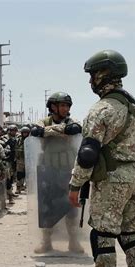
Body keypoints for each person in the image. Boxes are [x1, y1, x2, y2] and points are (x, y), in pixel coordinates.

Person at [68, 50, 135, 267]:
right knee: (133, 234)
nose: (91, 81)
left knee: (103, 235)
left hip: (113, 179)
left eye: (92, 75)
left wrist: (75, 185)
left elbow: (88, 154)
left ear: (103, 75)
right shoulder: (134, 106)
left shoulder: (102, 109)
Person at [31, 92, 84, 254]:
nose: (65, 108)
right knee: (46, 206)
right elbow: (36, 131)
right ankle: (46, 242)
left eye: (67, 105)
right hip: (48, 170)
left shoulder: (72, 121)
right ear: (53, 107)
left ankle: (73, 242)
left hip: (68, 170)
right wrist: (61, 132)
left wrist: (51, 131)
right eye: (62, 105)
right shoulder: (43, 121)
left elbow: (75, 129)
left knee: (71, 207)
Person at [14, 126, 30, 194]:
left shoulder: (30, 139)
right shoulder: (19, 140)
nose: (25, 134)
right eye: (24, 133)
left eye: (26, 133)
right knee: (19, 174)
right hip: (20, 159)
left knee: (28, 174)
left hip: (29, 159)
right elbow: (16, 148)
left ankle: (28, 187)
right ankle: (18, 187)